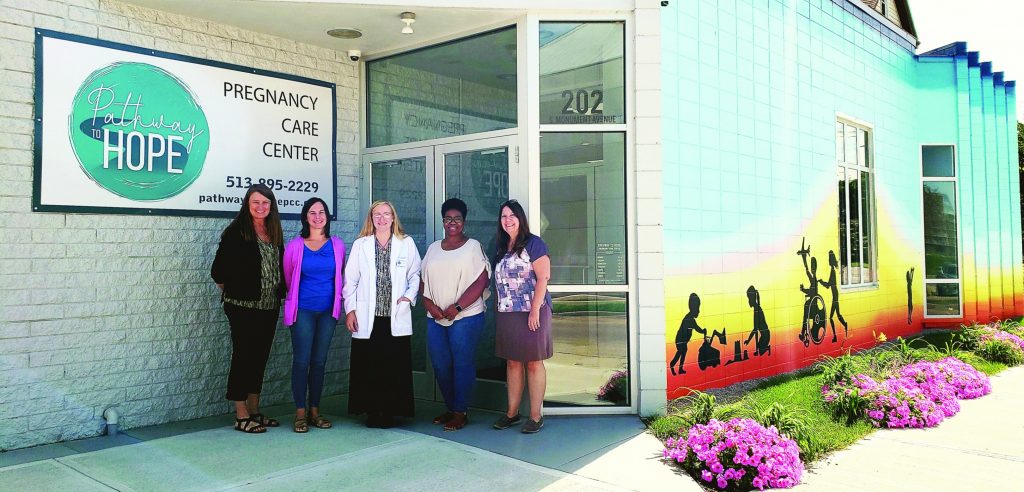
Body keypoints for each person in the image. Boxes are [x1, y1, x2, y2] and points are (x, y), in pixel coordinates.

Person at [211, 184, 285, 434]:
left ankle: (255, 410)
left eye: (265, 203)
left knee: (260, 357)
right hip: (242, 307)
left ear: (271, 206)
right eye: (256, 203)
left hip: (269, 305)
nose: (261, 207)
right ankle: (241, 414)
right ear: (247, 204)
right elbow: (218, 272)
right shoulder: (236, 232)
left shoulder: (273, 230)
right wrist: (239, 290)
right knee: (244, 356)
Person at [343, 201, 421, 428]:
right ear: (371, 218)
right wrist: (350, 310)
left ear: (393, 218)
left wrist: (408, 297)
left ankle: (390, 412)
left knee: (393, 366)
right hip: (369, 316)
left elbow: (415, 274)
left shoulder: (406, 243)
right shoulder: (361, 245)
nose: (382, 218)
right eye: (377, 214)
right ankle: (372, 412)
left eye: (387, 214)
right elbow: (351, 280)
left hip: (395, 314)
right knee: (370, 366)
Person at [420, 198, 491, 431]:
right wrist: (429, 305)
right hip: (436, 318)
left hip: (466, 317)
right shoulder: (432, 248)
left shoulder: (473, 246)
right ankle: (451, 408)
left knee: (462, 363)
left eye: (457, 219)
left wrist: (457, 307)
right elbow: (423, 282)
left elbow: (482, 280)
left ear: (464, 221)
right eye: (448, 219)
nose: (452, 223)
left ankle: (461, 411)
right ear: (443, 221)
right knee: (440, 365)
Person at [283, 197, 346, 433]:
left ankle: (315, 411)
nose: (318, 216)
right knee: (302, 361)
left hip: (328, 311)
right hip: (303, 310)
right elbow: (289, 277)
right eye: (312, 212)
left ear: (327, 217)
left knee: (319, 362)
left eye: (322, 212)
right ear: (305, 217)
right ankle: (300, 413)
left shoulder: (337, 245)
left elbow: (340, 274)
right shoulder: (295, 246)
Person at [491, 199, 552, 434]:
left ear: (520, 218)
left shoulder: (534, 243)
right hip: (508, 313)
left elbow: (543, 278)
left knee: (534, 363)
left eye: (512, 215)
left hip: (532, 312)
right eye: (503, 216)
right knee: (513, 362)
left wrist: (535, 309)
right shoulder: (501, 245)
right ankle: (512, 413)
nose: (507, 220)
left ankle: (536, 416)